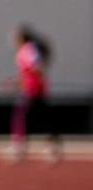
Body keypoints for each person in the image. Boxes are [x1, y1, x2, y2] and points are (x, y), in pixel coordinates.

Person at [11, 25, 61, 163]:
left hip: (34, 89)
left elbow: (36, 67)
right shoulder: (28, 49)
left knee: (22, 116)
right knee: (42, 116)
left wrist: (31, 79)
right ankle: (51, 146)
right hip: (34, 87)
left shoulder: (27, 49)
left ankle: (21, 148)